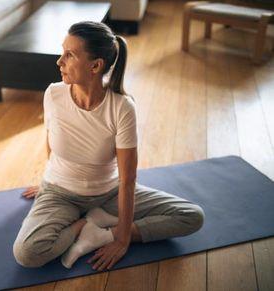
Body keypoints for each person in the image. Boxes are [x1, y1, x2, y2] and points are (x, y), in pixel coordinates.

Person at [13, 21, 205, 271]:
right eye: (62, 52)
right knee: (27, 253)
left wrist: (122, 238)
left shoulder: (122, 108)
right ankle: (85, 226)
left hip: (109, 194)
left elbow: (128, 179)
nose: (59, 62)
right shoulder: (53, 94)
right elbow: (51, 142)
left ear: (95, 65)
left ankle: (102, 232)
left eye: (69, 55)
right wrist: (48, 179)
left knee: (191, 216)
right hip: (59, 193)